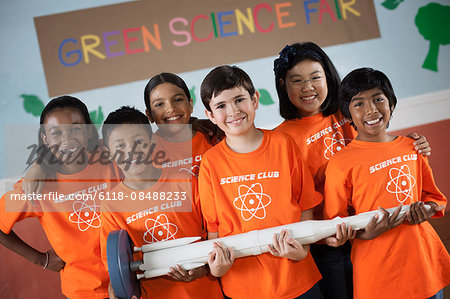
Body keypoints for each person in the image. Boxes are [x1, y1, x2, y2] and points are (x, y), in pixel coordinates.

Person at [273, 42, 432, 299]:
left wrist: (414, 145)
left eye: (316, 77)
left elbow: (382, 146)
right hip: (333, 244)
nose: (308, 88)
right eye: (297, 80)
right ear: (283, 84)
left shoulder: (350, 108)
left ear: (328, 76)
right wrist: (325, 238)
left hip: (380, 229)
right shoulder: (280, 139)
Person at [198, 65, 353, 299]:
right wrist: (217, 268)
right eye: (221, 106)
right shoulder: (210, 162)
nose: (233, 111)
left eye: (239, 99)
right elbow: (214, 230)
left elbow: (305, 205)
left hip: (298, 278)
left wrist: (303, 249)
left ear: (255, 99)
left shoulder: (284, 144)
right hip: (243, 288)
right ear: (210, 115)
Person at [323, 67, 450, 299]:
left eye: (378, 99)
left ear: (391, 105)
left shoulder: (412, 147)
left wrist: (427, 210)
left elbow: (435, 199)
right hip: (378, 273)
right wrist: (365, 235)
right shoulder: (340, 164)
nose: (371, 109)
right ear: (348, 115)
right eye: (359, 103)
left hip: (424, 265)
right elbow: (336, 224)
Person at [0, 95, 120, 299]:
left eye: (76, 128)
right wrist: (41, 260)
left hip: (135, 277)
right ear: (45, 138)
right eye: (56, 132)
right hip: (85, 291)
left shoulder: (110, 155)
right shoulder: (35, 186)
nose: (67, 139)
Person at [99, 106, 223, 299]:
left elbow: (215, 235)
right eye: (120, 146)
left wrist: (204, 268)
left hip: (206, 292)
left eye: (138, 141)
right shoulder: (111, 205)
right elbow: (117, 269)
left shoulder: (185, 182)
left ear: (152, 141)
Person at [143, 73, 216, 177]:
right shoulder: (146, 152)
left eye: (178, 100)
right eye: (159, 104)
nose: (171, 109)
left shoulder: (213, 137)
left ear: (190, 104)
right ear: (149, 115)